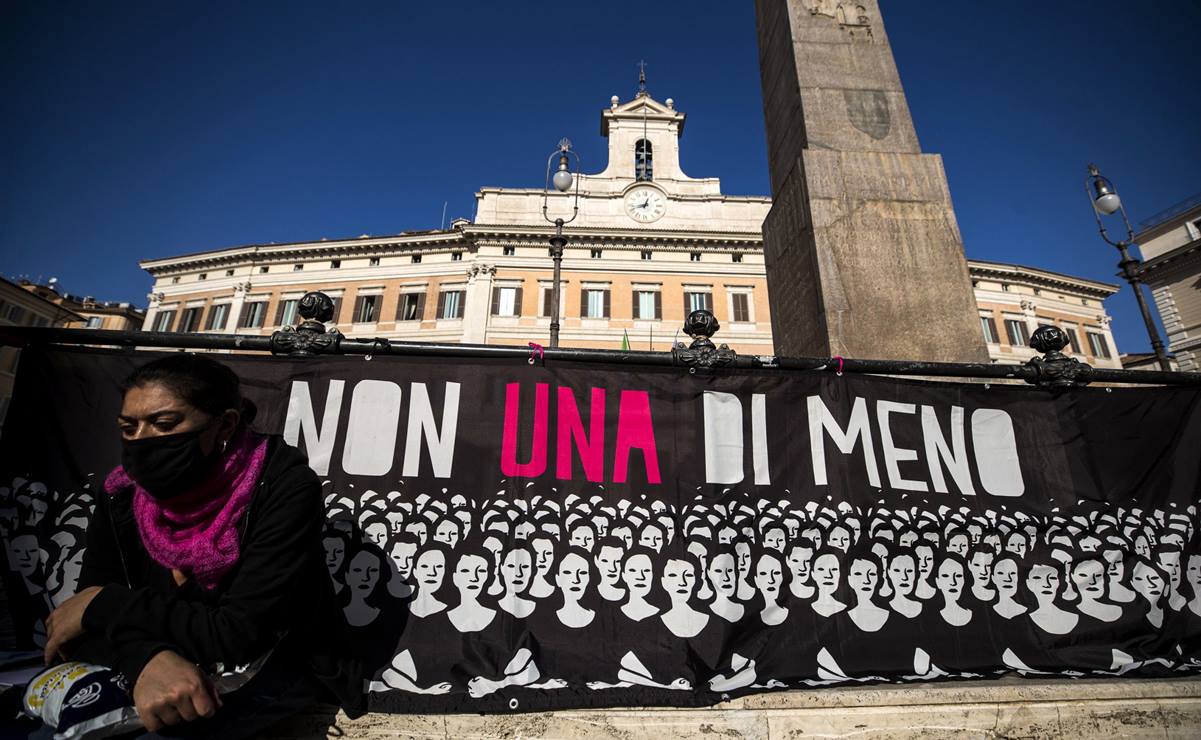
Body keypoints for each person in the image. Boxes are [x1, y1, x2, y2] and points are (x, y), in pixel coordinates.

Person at [46, 355, 362, 737]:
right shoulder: (121, 494)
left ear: (224, 425)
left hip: (274, 665)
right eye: (128, 428)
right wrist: (147, 659)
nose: (142, 441)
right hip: (161, 662)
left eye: (164, 424)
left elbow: (238, 633)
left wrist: (109, 605)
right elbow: (80, 620)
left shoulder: (284, 487)